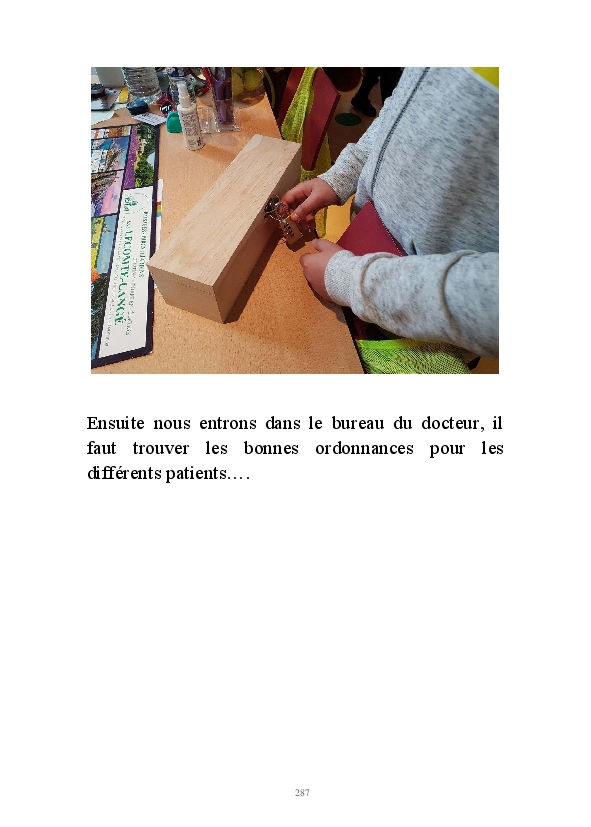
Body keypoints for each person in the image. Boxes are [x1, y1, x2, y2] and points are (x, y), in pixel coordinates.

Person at [281, 67, 499, 359]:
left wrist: (355, 283)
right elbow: (401, 109)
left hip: (425, 332)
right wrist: (341, 176)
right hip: (360, 264)